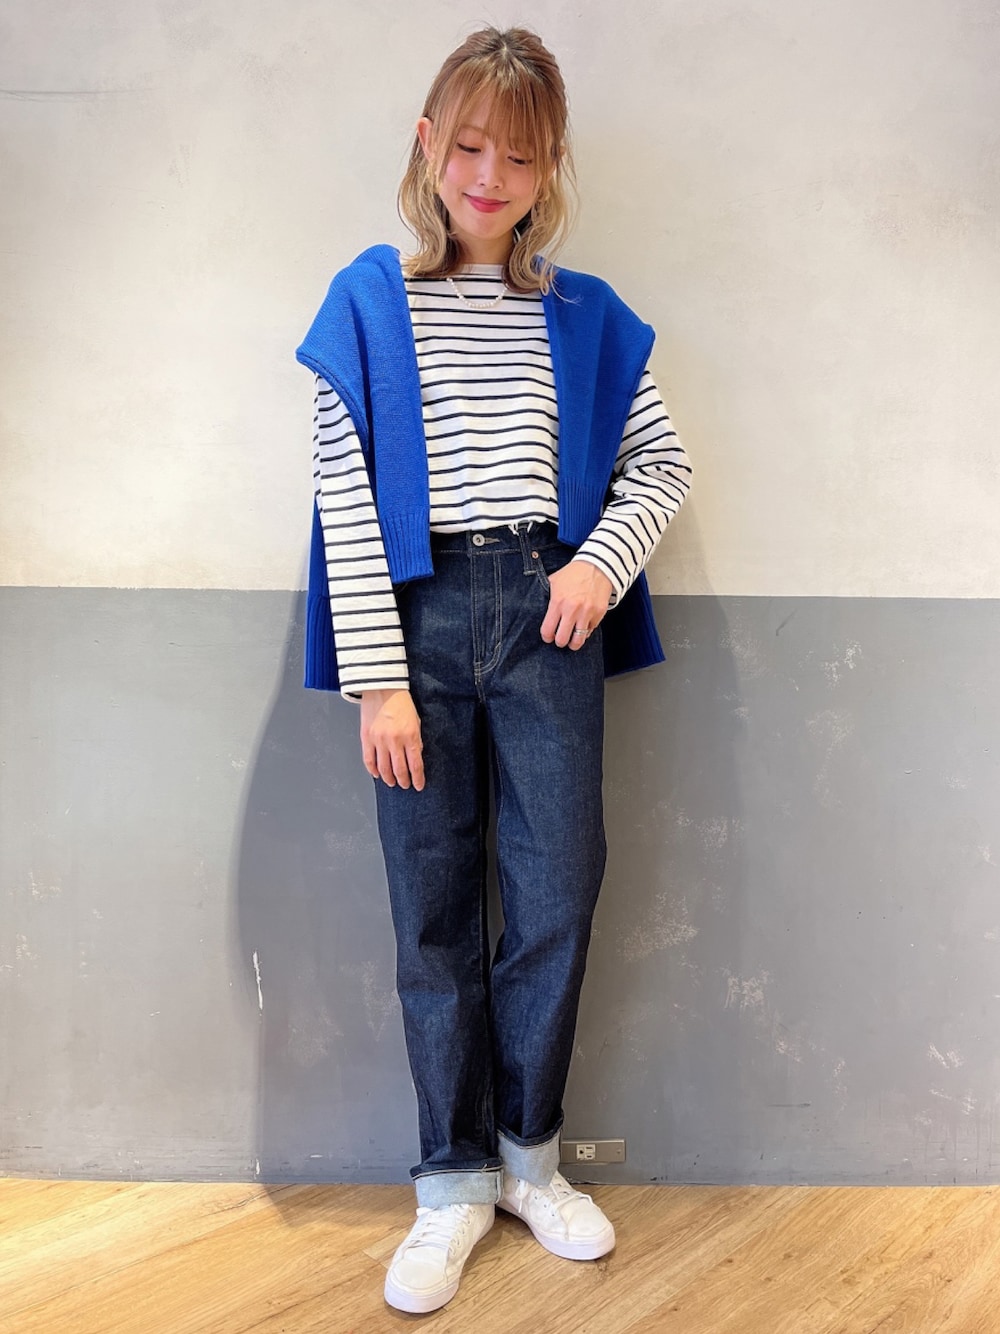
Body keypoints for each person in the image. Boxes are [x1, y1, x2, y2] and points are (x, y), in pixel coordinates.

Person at [296, 26, 692, 1315]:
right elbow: (345, 495)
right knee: (431, 908)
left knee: (557, 887)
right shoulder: (369, 300)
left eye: (518, 156)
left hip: (545, 621)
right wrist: (380, 680)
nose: (488, 176)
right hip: (413, 624)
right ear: (429, 144)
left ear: (548, 168)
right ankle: (450, 1182)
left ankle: (530, 1159)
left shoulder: (581, 313)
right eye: (469, 146)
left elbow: (661, 466)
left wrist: (597, 568)